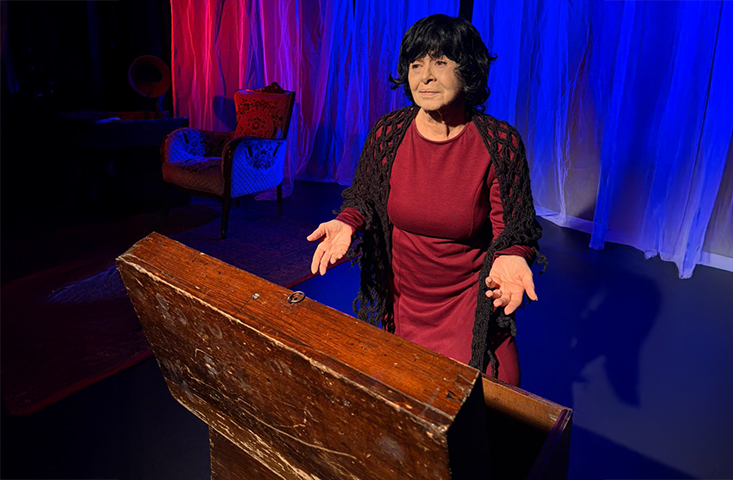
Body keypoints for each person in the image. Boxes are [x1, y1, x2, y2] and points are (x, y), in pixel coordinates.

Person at [307, 14, 545, 386]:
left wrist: (513, 254)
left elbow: (514, 229)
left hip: (468, 303)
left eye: (440, 63)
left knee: (499, 402)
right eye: (416, 65)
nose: (425, 76)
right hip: (403, 303)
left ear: (468, 71)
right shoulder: (389, 133)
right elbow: (365, 197)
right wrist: (347, 221)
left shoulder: (499, 144)